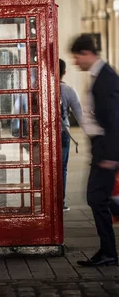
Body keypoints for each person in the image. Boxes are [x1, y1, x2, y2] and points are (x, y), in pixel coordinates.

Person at [71, 35, 119, 267]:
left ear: (88, 53)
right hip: (101, 148)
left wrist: (110, 155)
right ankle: (107, 251)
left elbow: (114, 120)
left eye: (77, 56)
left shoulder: (106, 78)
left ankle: (109, 253)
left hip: (106, 149)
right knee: (99, 198)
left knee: (96, 198)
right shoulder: (100, 76)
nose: (75, 62)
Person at [59, 58, 83, 211]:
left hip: (43, 135)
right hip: (63, 133)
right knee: (62, 168)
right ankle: (60, 201)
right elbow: (80, 116)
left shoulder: (39, 87)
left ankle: (46, 202)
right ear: (64, 72)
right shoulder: (69, 90)